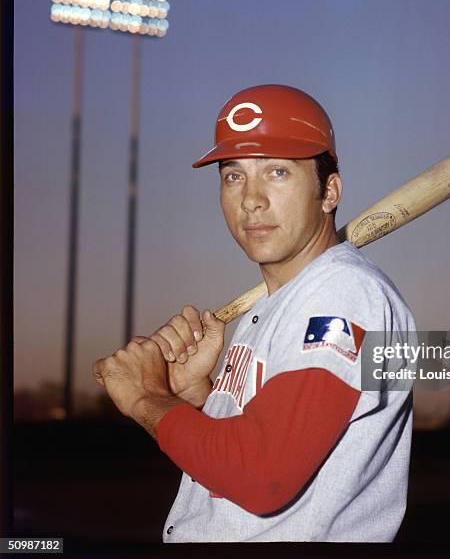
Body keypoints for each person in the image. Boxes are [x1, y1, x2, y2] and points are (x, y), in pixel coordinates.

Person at [93, 84, 416, 542]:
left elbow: (263, 476)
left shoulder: (345, 293)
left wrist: (145, 398)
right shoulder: (278, 303)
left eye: (278, 172)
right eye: (233, 176)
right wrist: (198, 398)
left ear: (330, 192)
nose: (251, 198)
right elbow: (256, 454)